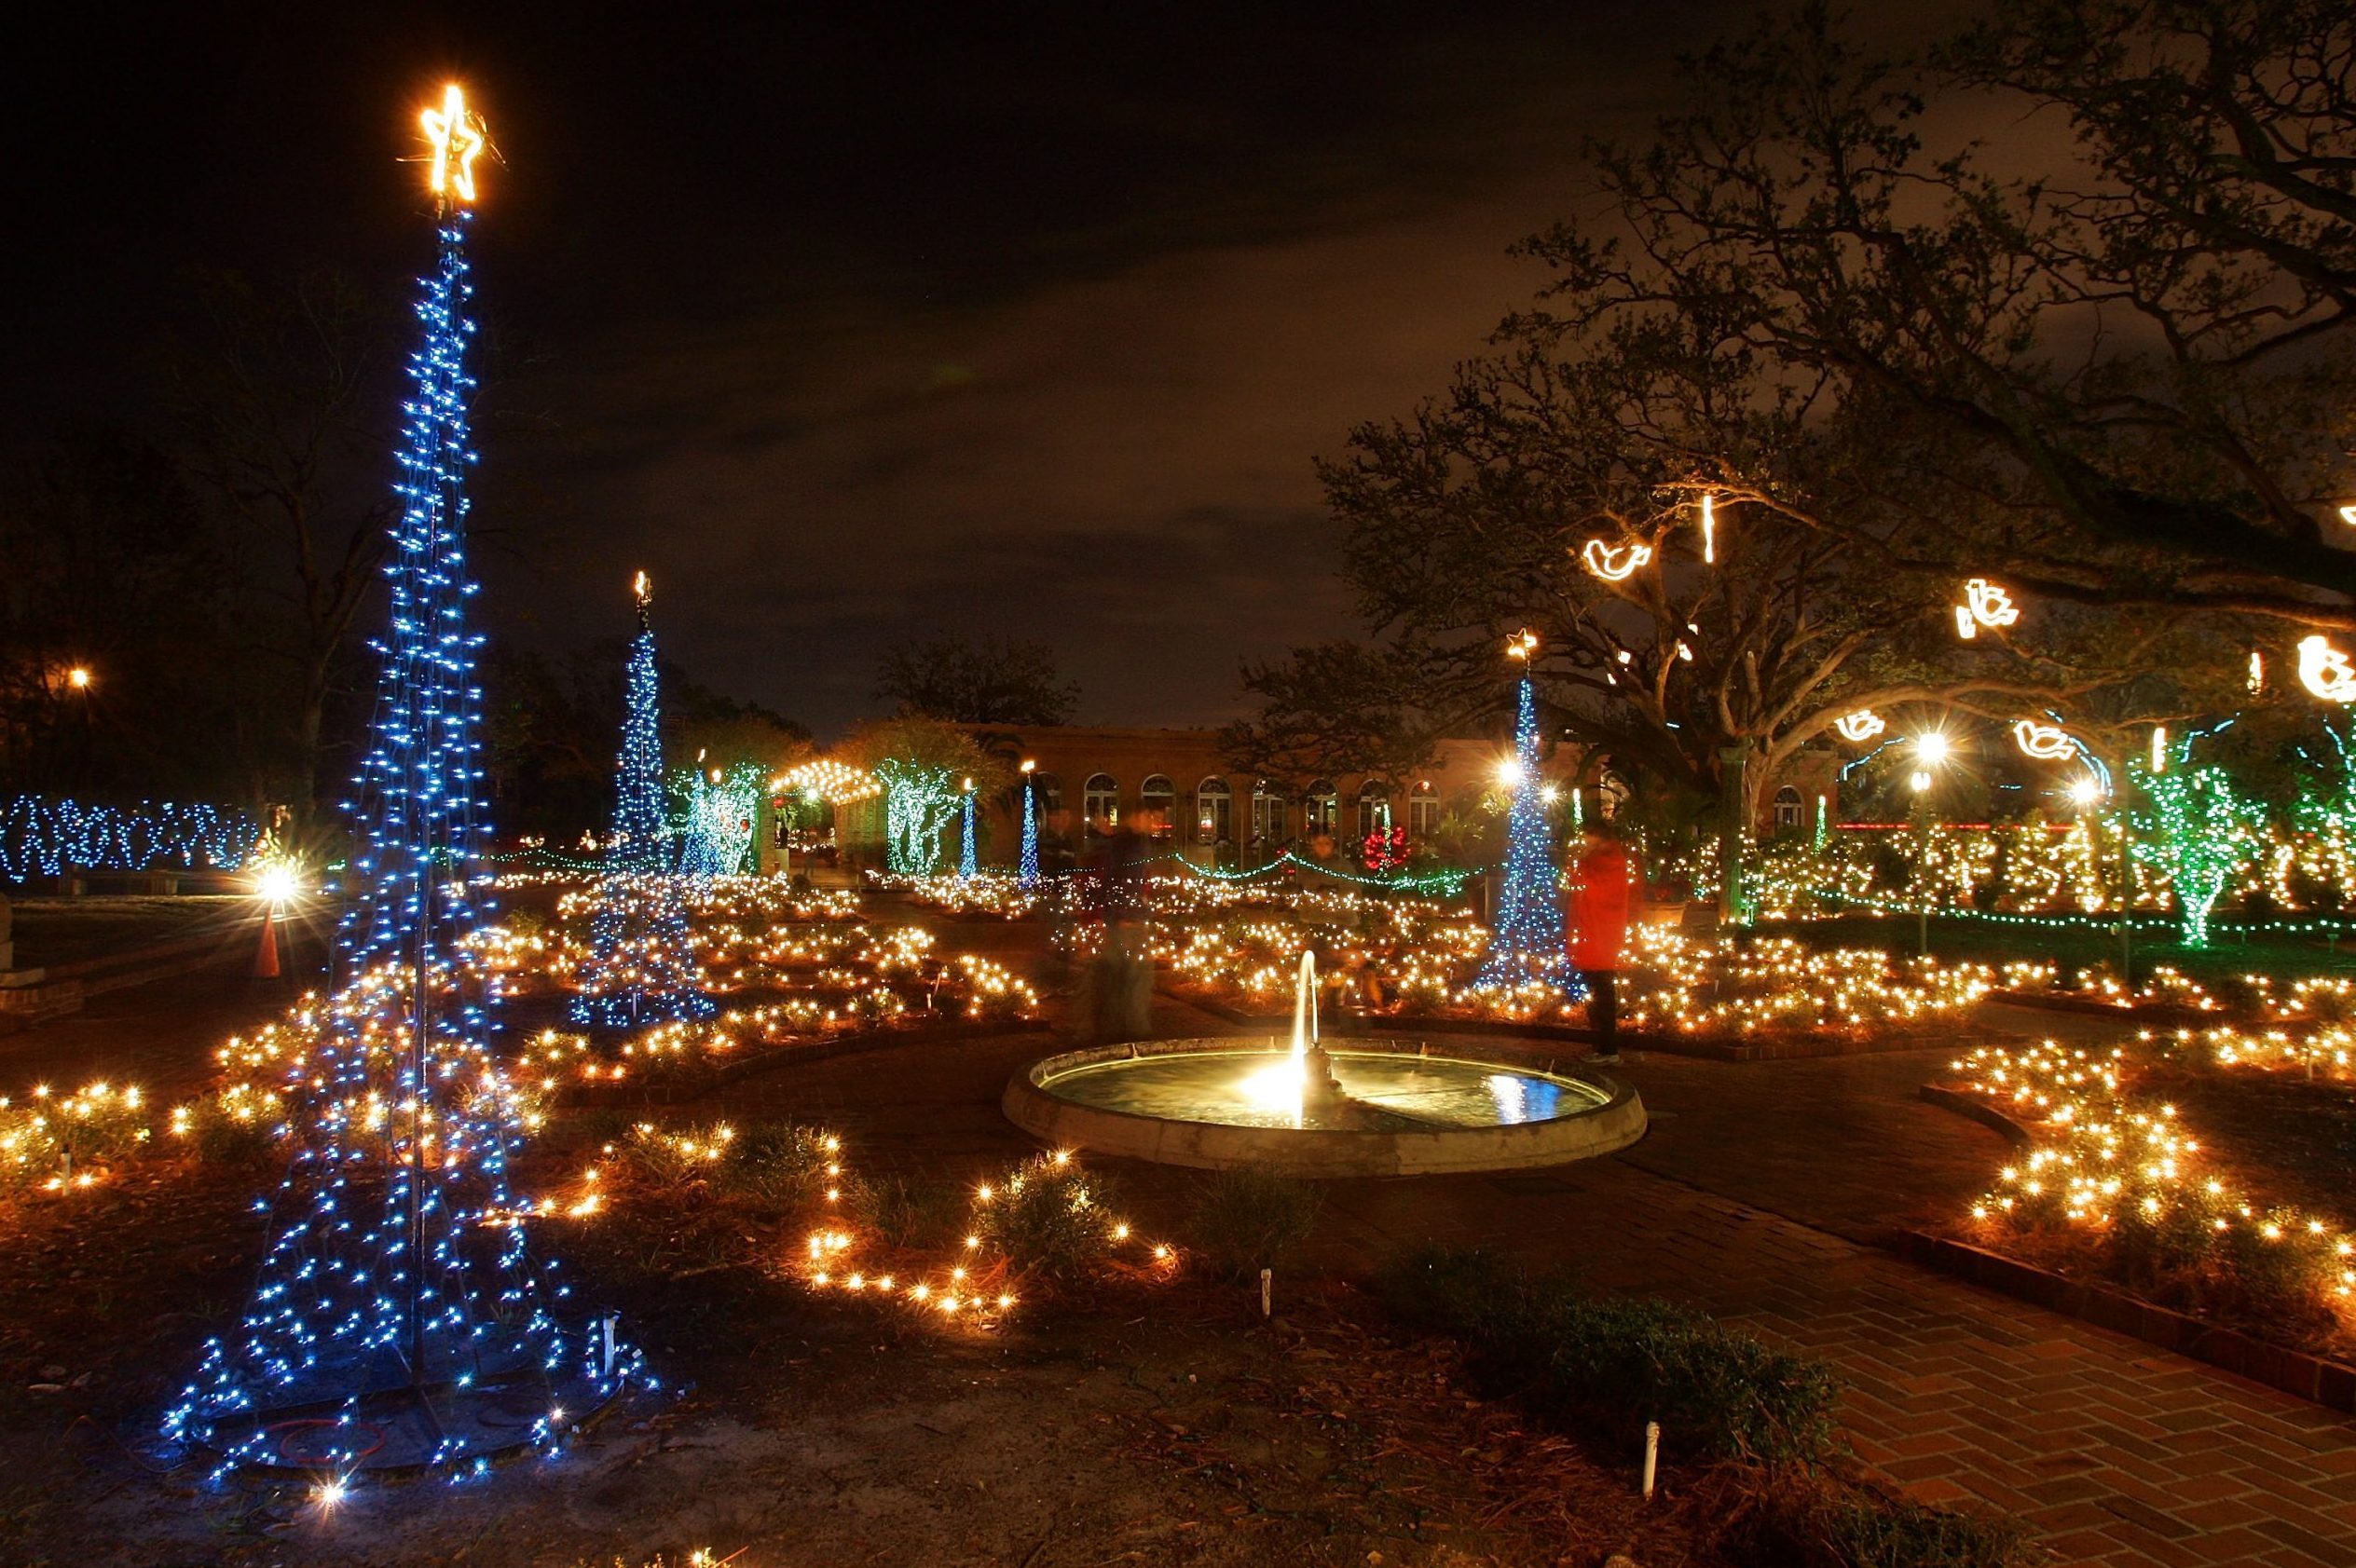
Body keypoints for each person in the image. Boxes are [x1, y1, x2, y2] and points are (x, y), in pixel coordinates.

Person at [1567, 824, 1634, 1064]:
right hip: (1597, 933)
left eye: (1588, 839)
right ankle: (1603, 1046)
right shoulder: (1604, 858)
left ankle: (1608, 1049)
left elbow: (1595, 886)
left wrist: (1582, 864)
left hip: (1601, 934)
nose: (1585, 843)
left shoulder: (1608, 860)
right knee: (1599, 991)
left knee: (1603, 992)